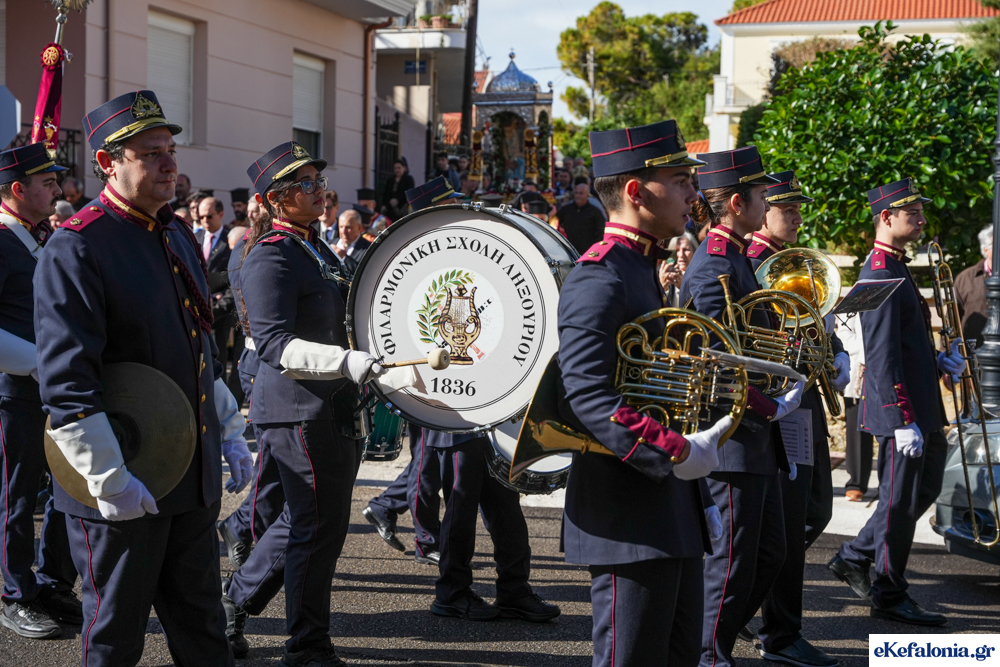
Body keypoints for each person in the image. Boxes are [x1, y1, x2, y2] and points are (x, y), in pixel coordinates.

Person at [36, 90, 252, 665]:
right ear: (107, 163)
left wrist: (228, 428)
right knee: (115, 639)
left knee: (204, 631)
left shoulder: (174, 232)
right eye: (150, 153)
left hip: (188, 474)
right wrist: (110, 479)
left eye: (170, 150)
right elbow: (67, 381)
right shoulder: (78, 245)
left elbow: (196, 344)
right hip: (123, 479)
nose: (168, 164)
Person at [558, 119, 731, 667]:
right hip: (627, 510)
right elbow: (588, 393)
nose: (693, 193)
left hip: (664, 504)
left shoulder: (640, 265)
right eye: (681, 181)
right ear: (636, 191)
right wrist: (675, 450)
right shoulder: (601, 275)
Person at [221, 142, 387, 666]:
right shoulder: (271, 254)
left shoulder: (315, 247)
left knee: (313, 521)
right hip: (297, 408)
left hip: (330, 404)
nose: (321, 192)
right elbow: (273, 342)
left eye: (320, 181)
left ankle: (233, 601)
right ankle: (307, 644)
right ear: (276, 198)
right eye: (307, 184)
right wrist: (345, 362)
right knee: (315, 526)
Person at [678, 146, 804, 667]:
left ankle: (711, 645)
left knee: (769, 554)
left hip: (751, 436)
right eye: (761, 196)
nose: (767, 204)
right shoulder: (715, 264)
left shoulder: (733, 257)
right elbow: (715, 359)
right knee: (730, 565)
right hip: (730, 435)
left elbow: (747, 341)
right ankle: (708, 656)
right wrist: (768, 405)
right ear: (736, 203)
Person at [828, 178, 960, 628]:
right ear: (886, 217)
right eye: (912, 213)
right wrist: (901, 419)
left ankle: (854, 556)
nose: (921, 220)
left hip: (922, 404)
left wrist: (938, 359)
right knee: (898, 502)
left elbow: (905, 342)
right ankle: (888, 591)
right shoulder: (880, 271)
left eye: (921, 212)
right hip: (903, 410)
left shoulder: (896, 265)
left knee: (921, 491)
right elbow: (882, 354)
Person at [743, 171, 849, 667]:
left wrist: (837, 350)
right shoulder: (752, 264)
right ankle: (780, 631)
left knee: (815, 511)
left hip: (803, 403)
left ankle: (750, 602)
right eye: (787, 209)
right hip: (779, 407)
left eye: (798, 208)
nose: (797, 217)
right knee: (786, 523)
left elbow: (817, 320)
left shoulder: (800, 261)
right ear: (763, 212)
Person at [0, 143, 82, 640]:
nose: (57, 189)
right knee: (16, 494)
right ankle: (15, 593)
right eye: (47, 183)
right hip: (16, 392)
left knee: (67, 487)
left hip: (60, 388)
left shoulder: (46, 235)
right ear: (16, 190)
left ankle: (51, 582)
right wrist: (39, 364)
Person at [361, 177, 463, 565]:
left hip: (452, 369)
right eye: (448, 204)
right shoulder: (415, 256)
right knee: (426, 460)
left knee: (435, 459)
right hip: (424, 372)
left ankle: (386, 506)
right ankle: (425, 539)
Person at [216, 198, 284, 571]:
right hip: (261, 361)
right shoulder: (254, 247)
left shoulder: (266, 243)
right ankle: (245, 529)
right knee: (274, 460)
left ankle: (246, 528)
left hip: (265, 362)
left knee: (279, 463)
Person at [195, 197, 235, 384]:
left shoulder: (230, 240)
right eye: (201, 217)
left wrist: (220, 300)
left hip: (221, 312)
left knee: (219, 358)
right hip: (199, 309)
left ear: (221, 214)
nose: (205, 221)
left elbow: (234, 276)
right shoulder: (196, 238)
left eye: (209, 216)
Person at [838, 313, 872, 501]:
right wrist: (869, 346)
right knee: (857, 428)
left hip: (885, 364)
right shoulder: (854, 299)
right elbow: (843, 334)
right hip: (860, 369)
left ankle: (890, 481)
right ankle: (857, 482)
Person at [953, 225, 992, 349]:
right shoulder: (965, 278)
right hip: (974, 354)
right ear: (985, 249)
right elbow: (953, 318)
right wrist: (947, 351)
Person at [558, 181, 605, 255]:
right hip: (569, 251)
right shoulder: (566, 209)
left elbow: (600, 232)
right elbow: (557, 223)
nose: (578, 195)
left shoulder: (595, 212)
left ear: (587, 195)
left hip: (588, 252)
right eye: (576, 193)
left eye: (581, 193)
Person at [659, 231, 698, 307]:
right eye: (677, 250)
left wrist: (683, 288)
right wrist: (663, 287)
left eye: (686, 250)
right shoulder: (662, 274)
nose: (681, 255)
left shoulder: (700, 276)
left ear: (694, 252)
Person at [334, 209, 371, 276]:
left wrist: (344, 258)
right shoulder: (330, 244)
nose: (343, 232)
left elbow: (366, 274)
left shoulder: (368, 249)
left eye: (348, 227)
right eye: (341, 227)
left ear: (359, 227)